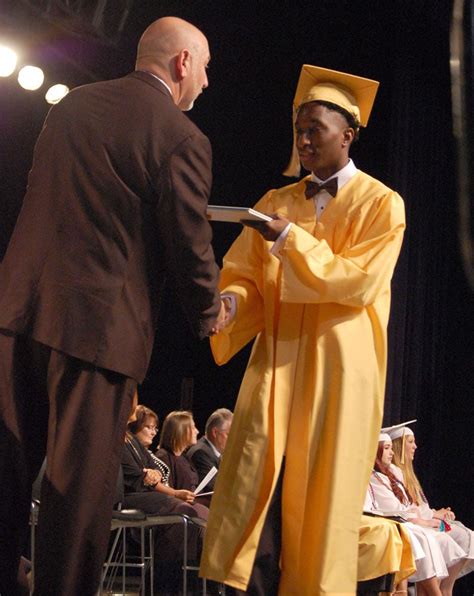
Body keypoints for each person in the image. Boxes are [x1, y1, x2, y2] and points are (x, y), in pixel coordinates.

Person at [0, 16, 226, 596]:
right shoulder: (180, 136)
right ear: (181, 64)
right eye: (203, 68)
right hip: (96, 335)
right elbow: (189, 243)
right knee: (79, 496)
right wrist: (210, 312)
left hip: (17, 311)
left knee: (5, 471)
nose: (205, 83)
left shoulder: (71, 105)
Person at [200, 64, 406, 594]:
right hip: (277, 368)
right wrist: (229, 303)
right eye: (299, 130)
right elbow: (247, 276)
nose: (305, 139)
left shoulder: (382, 204)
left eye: (315, 128)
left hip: (339, 375)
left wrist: (290, 240)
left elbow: (358, 282)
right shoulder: (275, 203)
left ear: (349, 134)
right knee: (257, 496)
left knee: (321, 507)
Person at [368, 432, 466, 596]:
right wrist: (422, 518)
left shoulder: (391, 474)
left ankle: (438, 591)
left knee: (443, 537)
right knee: (426, 537)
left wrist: (426, 515)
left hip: (406, 522)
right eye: (387, 448)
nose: (391, 453)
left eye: (392, 448)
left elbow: (408, 504)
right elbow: (394, 507)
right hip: (394, 524)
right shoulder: (373, 477)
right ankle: (432, 593)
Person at [388, 422, 474, 587]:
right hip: (411, 526)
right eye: (410, 442)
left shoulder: (409, 474)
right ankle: (437, 590)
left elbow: (420, 506)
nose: (415, 446)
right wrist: (434, 516)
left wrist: (436, 513)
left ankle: (446, 587)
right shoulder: (393, 473)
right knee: (450, 539)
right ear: (399, 445)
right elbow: (409, 510)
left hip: (422, 523)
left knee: (467, 536)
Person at [186, 407, 233, 495]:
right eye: (229, 435)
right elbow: (215, 487)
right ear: (215, 432)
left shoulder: (214, 452)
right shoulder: (200, 453)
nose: (232, 440)